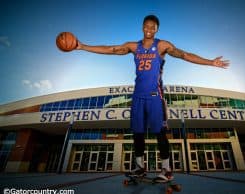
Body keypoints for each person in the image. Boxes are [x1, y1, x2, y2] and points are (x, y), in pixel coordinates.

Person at [75, 15, 229, 181]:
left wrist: (211, 62)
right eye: (146, 26)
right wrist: (82, 46)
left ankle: (166, 170)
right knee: (137, 133)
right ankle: (140, 167)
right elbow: (110, 49)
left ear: (157, 29)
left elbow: (185, 55)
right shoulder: (133, 46)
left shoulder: (163, 45)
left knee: (160, 133)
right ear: (142, 27)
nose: (149, 29)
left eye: (152, 27)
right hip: (138, 96)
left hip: (155, 96)